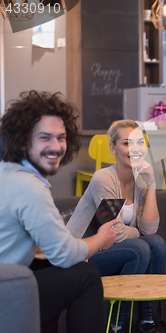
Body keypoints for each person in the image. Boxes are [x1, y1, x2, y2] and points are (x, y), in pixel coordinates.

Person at [0, 90, 117, 333]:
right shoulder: (29, 187)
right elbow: (63, 253)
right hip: (5, 291)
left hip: (9, 277)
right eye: (44, 138)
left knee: (53, 273)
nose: (55, 147)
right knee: (85, 276)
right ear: (22, 141)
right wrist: (101, 239)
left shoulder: (6, 172)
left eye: (60, 138)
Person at [66, 120, 166, 333]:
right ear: (113, 148)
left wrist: (151, 186)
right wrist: (137, 232)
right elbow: (115, 232)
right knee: (140, 248)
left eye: (140, 142)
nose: (135, 149)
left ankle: (148, 321)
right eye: (126, 143)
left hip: (111, 250)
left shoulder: (140, 181)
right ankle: (118, 325)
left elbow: (150, 231)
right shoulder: (103, 179)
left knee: (157, 243)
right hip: (84, 253)